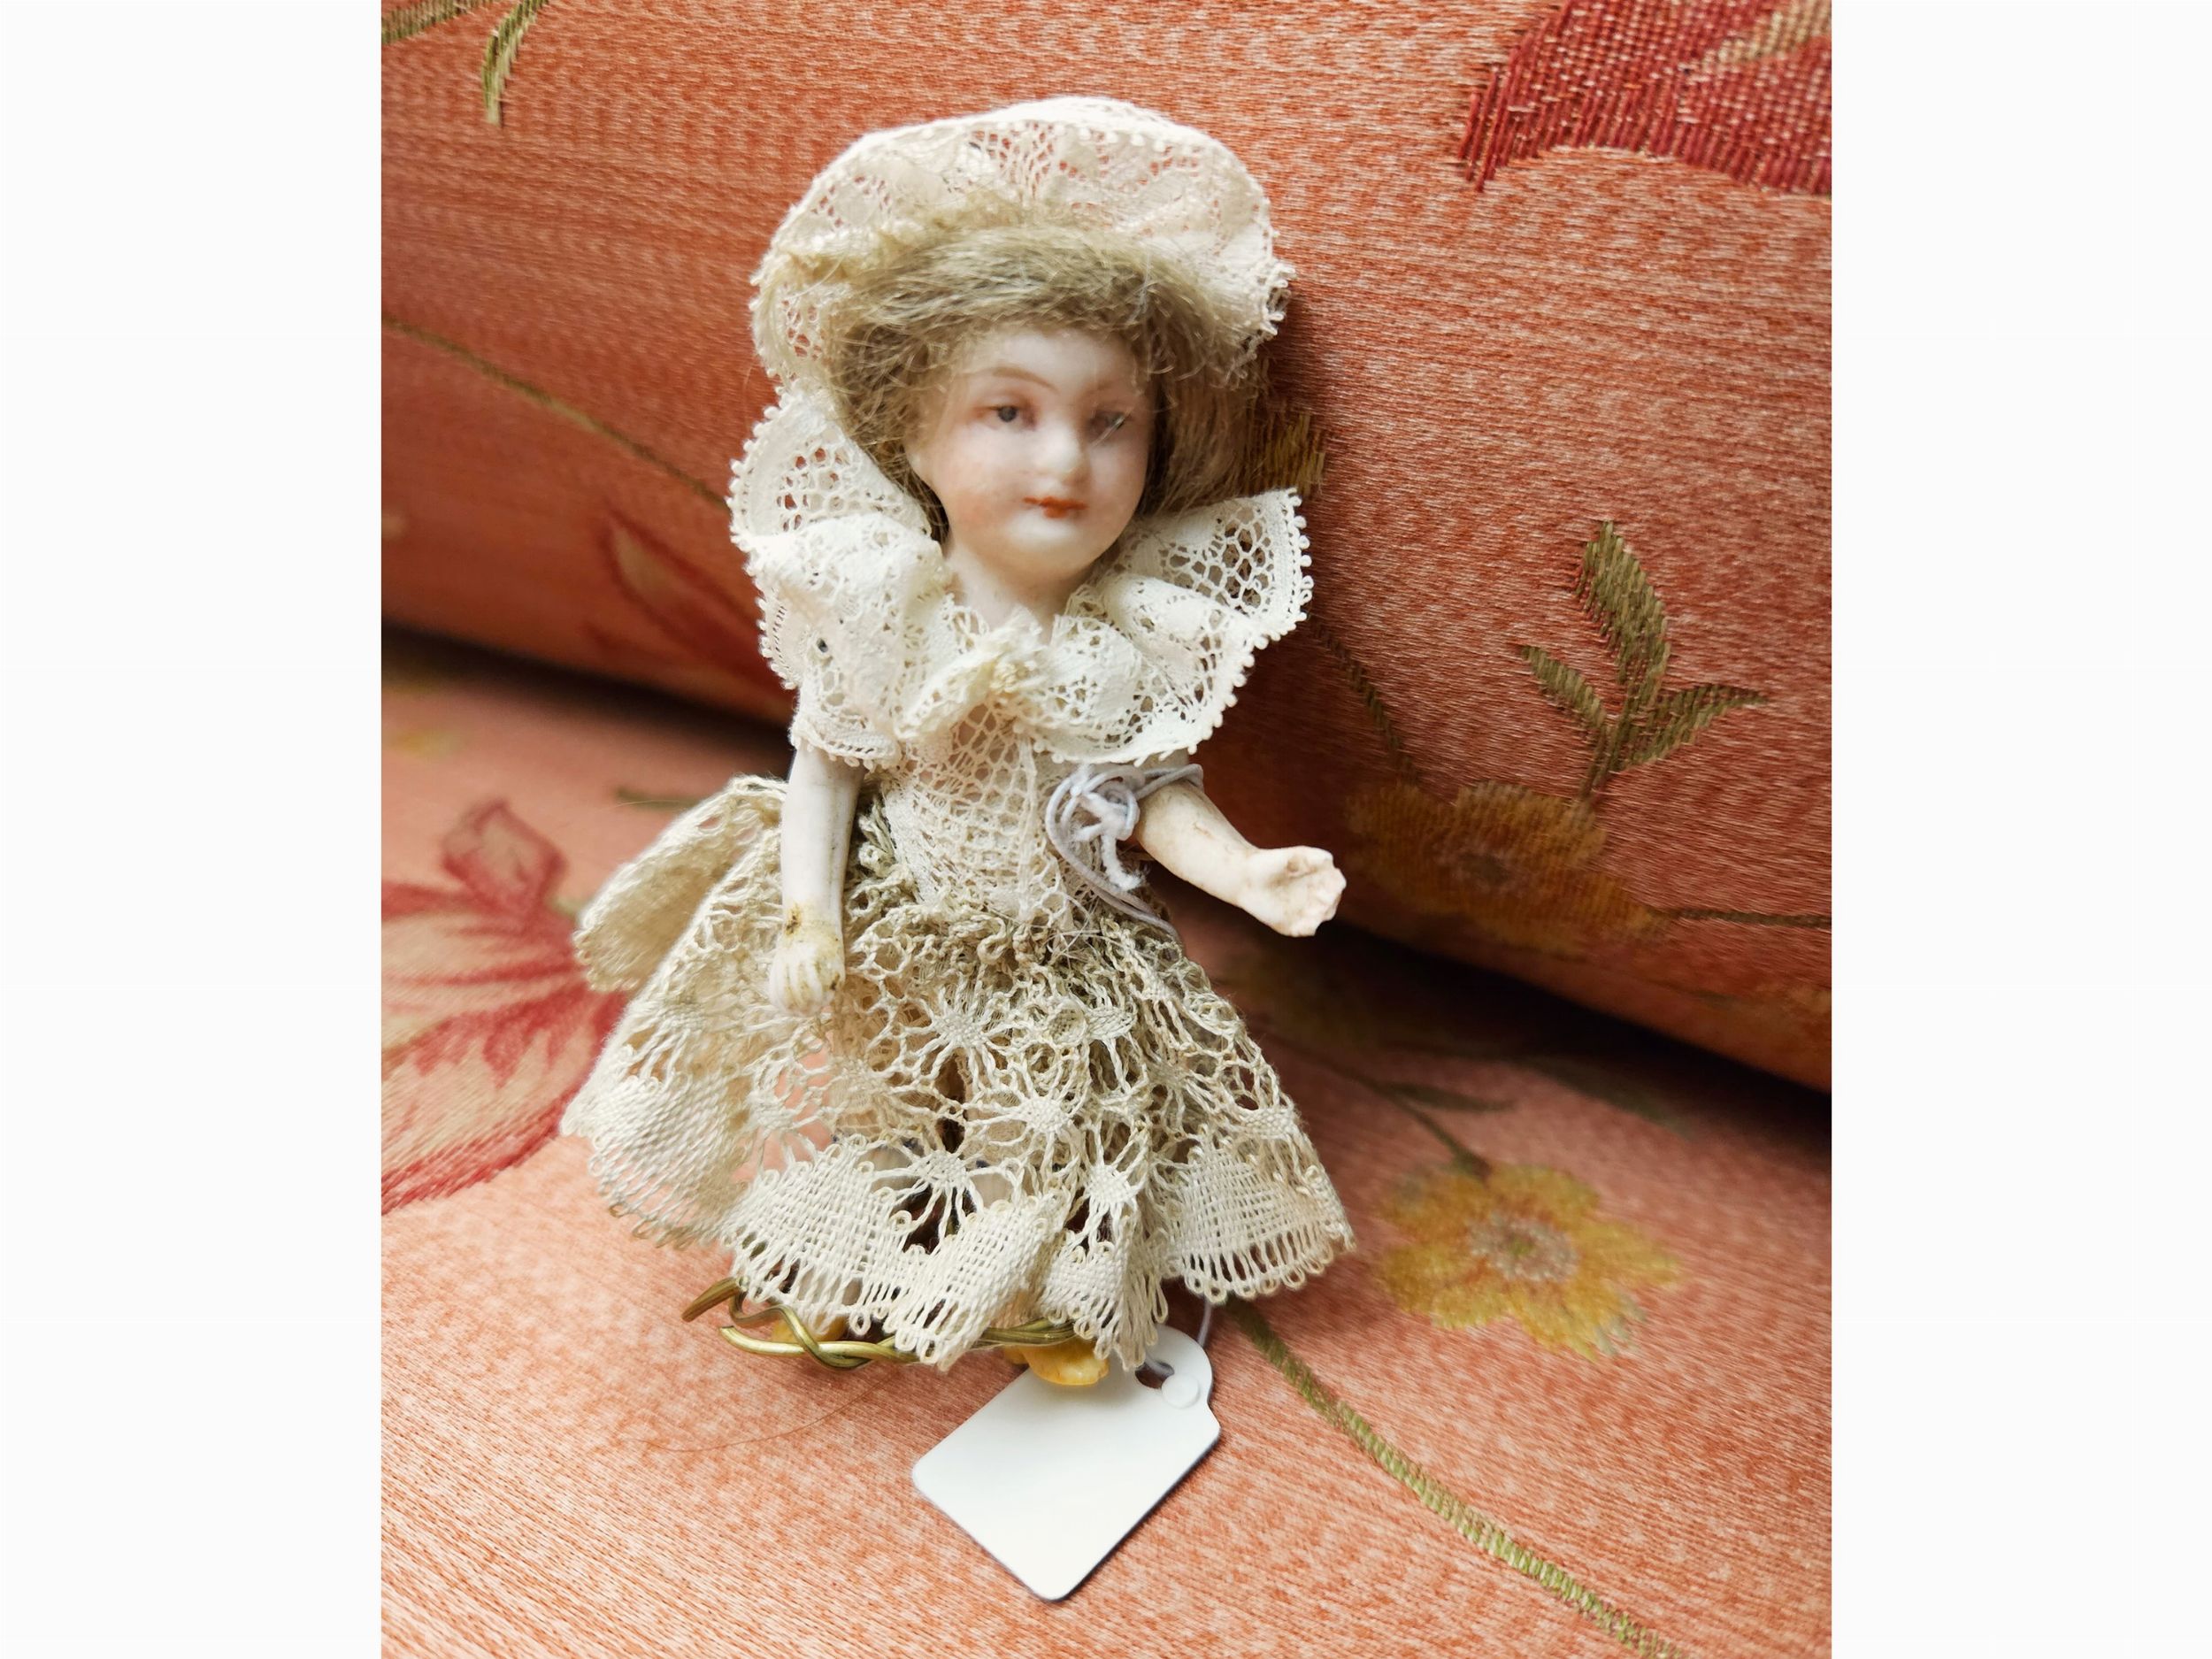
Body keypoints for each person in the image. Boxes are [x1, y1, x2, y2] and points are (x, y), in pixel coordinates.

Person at [565, 99, 1353, 1385]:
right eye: (1010, 413)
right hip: (897, 922)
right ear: (913, 435)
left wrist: (1247, 871)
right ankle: (836, 1262)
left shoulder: (1123, 646)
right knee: (876, 1099)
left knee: (1044, 1128)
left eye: (1111, 421)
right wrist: (810, 915)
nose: (1067, 461)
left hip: (1055, 952)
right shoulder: (883, 613)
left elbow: (1149, 791)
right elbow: (827, 765)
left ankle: (1036, 1290)